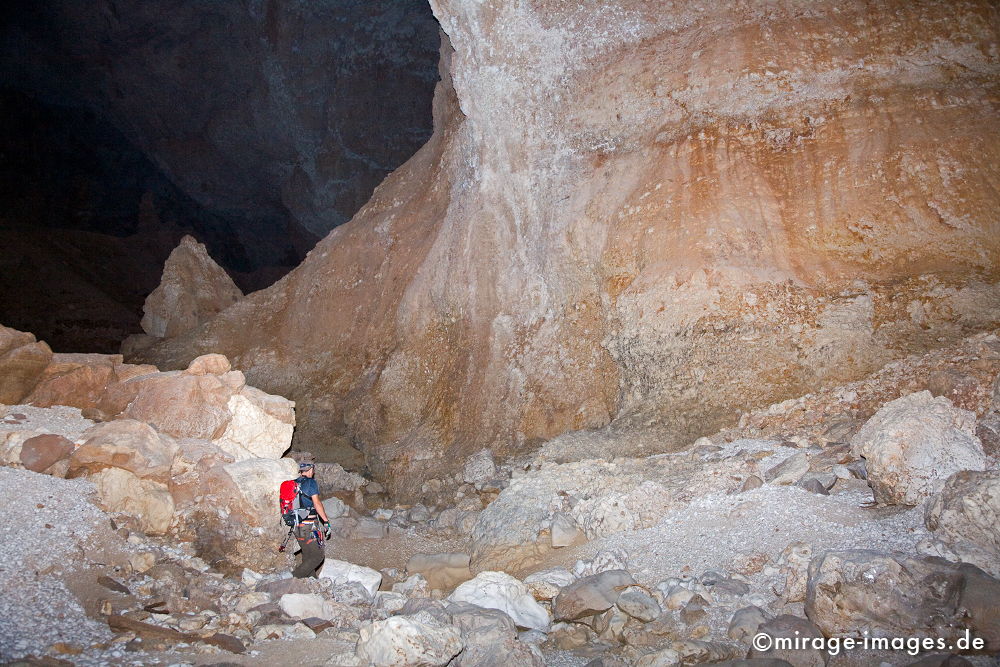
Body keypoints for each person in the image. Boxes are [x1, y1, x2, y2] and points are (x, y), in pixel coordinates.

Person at [292, 462, 331, 578]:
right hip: (309, 525)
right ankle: (292, 577)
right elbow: (317, 503)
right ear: (310, 470)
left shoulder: (293, 483)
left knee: (308, 554)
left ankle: (311, 581)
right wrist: (326, 521)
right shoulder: (310, 482)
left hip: (296, 525)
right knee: (317, 556)